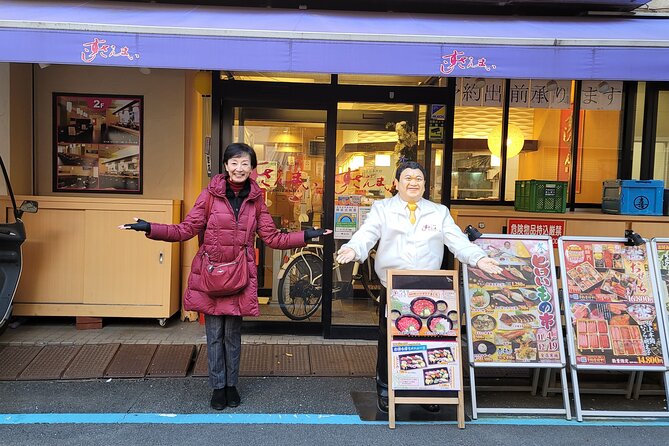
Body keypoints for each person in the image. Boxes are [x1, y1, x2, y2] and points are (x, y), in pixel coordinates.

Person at [120, 142, 331, 410]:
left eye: (245, 163)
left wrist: (307, 235)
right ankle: (218, 388)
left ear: (252, 168)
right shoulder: (208, 196)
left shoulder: (256, 200)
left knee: (233, 335)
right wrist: (150, 227)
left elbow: (273, 237)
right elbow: (186, 229)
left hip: (239, 275)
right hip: (211, 275)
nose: (239, 168)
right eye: (234, 163)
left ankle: (232, 385)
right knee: (214, 335)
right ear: (226, 166)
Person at [335, 161, 502, 413]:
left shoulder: (438, 212)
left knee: (431, 337)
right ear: (396, 183)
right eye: (407, 178)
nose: (413, 182)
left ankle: (429, 389)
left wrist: (479, 258)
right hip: (394, 285)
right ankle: (385, 388)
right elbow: (367, 233)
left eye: (418, 178)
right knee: (390, 337)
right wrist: (353, 247)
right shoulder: (383, 208)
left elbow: (457, 241)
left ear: (425, 184)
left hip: (430, 286)